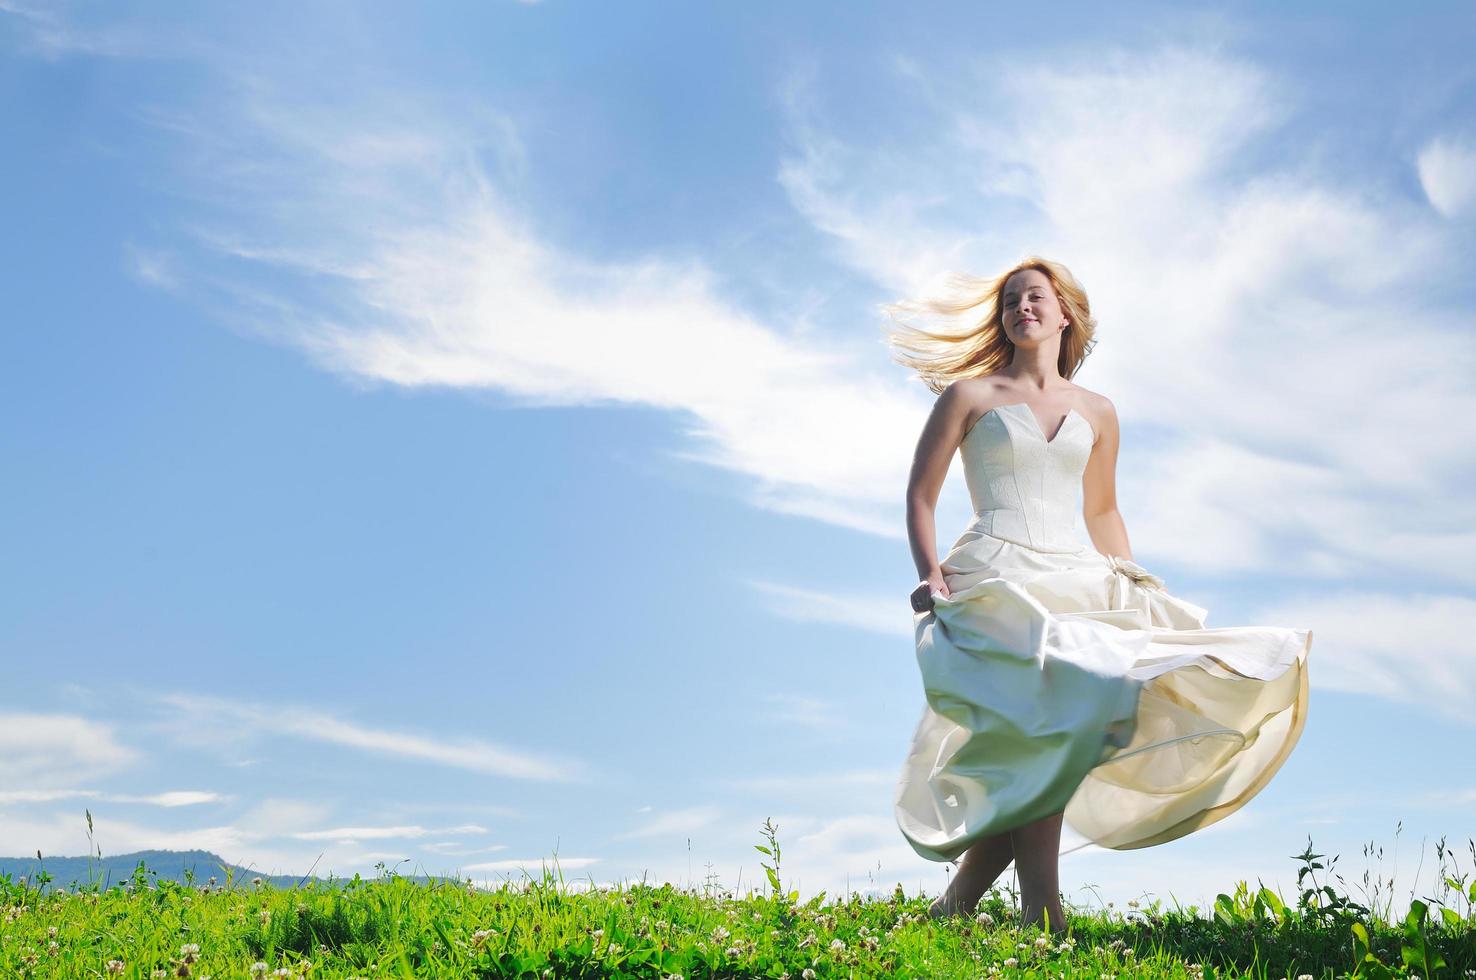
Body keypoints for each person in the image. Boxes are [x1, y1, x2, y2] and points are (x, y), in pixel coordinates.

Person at [886, 257, 1311, 934]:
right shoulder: (969, 397)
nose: (1023, 307)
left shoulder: (1099, 411)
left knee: (1064, 734)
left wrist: (1133, 581)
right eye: (1011, 302)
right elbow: (920, 494)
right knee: (1044, 733)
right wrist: (929, 570)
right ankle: (1042, 914)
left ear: (1064, 315)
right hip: (996, 581)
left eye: (1036, 298)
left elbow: (1103, 509)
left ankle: (958, 905)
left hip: (1079, 576)